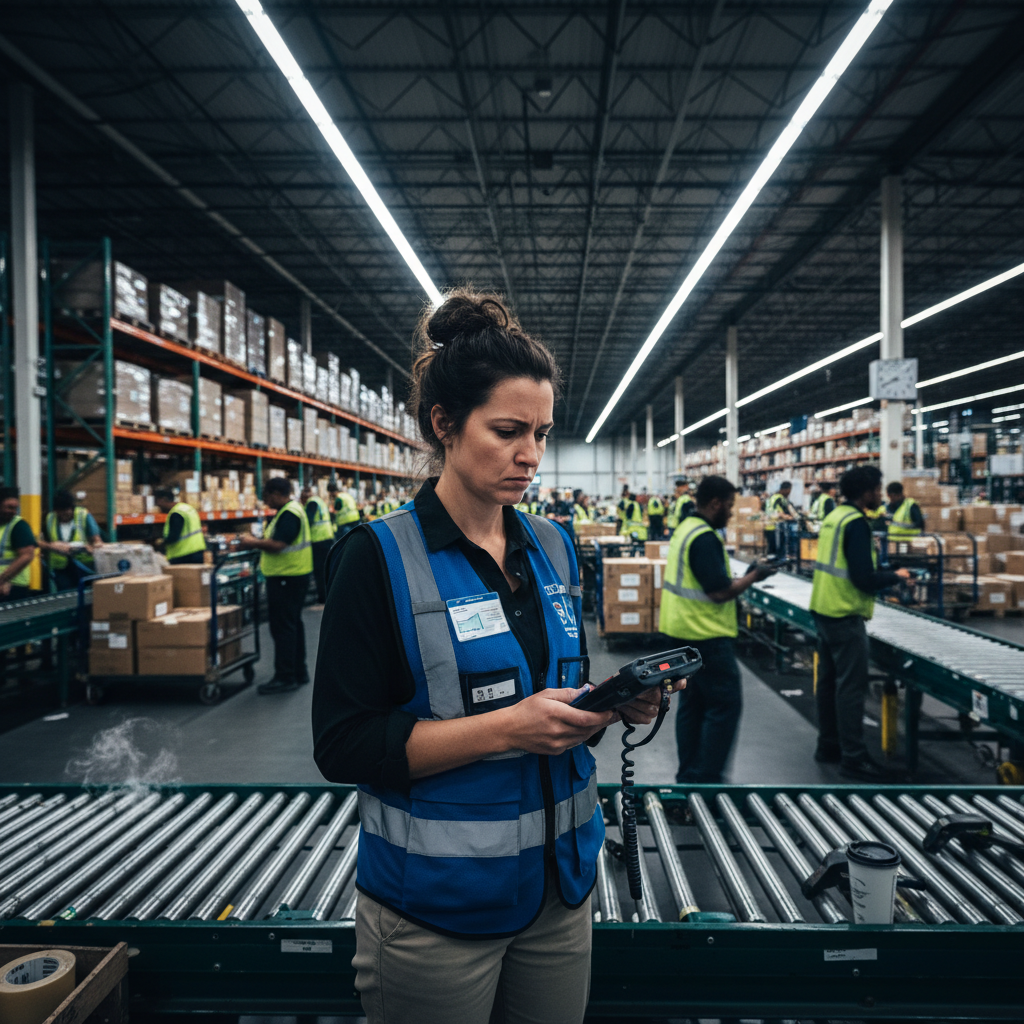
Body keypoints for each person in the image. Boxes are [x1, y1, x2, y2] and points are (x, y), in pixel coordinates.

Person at [312, 289, 676, 1024]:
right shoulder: (377, 557)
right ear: (444, 424)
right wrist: (508, 728)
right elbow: (345, 743)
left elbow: (557, 692)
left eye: (541, 433)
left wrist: (607, 707)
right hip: (435, 909)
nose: (531, 455)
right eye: (508, 431)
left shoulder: (554, 546)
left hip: (560, 892)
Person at [659, 475, 775, 783]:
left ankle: (690, 776)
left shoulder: (686, 528)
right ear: (715, 503)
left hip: (681, 632)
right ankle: (708, 780)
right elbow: (719, 591)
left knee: (693, 705)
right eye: (730, 505)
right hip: (705, 635)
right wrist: (755, 577)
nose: (732, 512)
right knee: (724, 706)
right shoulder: (705, 537)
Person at [810, 465, 912, 781]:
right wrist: (896, 576)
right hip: (844, 614)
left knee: (828, 683)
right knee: (851, 687)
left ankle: (828, 746)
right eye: (878, 490)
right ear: (866, 492)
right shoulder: (855, 523)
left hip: (824, 608)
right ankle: (853, 758)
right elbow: (863, 578)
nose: (880, 495)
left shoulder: (835, 517)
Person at [239, 478, 312, 694]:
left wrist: (252, 542)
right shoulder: (290, 511)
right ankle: (299, 672)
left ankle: (285, 677)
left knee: (283, 628)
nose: (266, 500)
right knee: (293, 625)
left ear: (277, 493)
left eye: (267, 496)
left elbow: (279, 544)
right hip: (292, 575)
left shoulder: (289, 513)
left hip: (286, 577)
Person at [37, 489, 103, 591]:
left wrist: (89, 548)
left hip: (83, 566)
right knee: (65, 594)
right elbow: (39, 541)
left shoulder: (83, 515)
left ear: (72, 508)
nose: (63, 515)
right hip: (61, 568)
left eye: (66, 511)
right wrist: (51, 546)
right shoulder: (50, 518)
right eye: (59, 512)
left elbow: (97, 541)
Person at [0, 488, 37, 602]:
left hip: (13, 587)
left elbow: (27, 556)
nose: (13, 512)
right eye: (9, 507)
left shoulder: (19, 526)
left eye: (16, 508)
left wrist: (3, 580)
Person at [301, 484, 336, 606]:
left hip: (318, 540)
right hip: (327, 537)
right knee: (326, 568)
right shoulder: (319, 500)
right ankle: (329, 594)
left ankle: (323, 597)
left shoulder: (311, 503)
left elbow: (308, 521)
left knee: (319, 570)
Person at [154, 488, 207, 564]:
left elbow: (174, 536)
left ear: (164, 499)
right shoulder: (187, 508)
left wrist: (160, 544)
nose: (157, 505)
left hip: (183, 556)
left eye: (157, 501)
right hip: (198, 552)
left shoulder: (177, 513)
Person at [764, 481, 795, 555]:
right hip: (776, 527)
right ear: (786, 489)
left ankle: (771, 559)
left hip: (768, 526)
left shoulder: (773, 496)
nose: (789, 493)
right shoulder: (780, 498)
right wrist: (791, 518)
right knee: (778, 550)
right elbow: (780, 513)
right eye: (789, 490)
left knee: (772, 550)